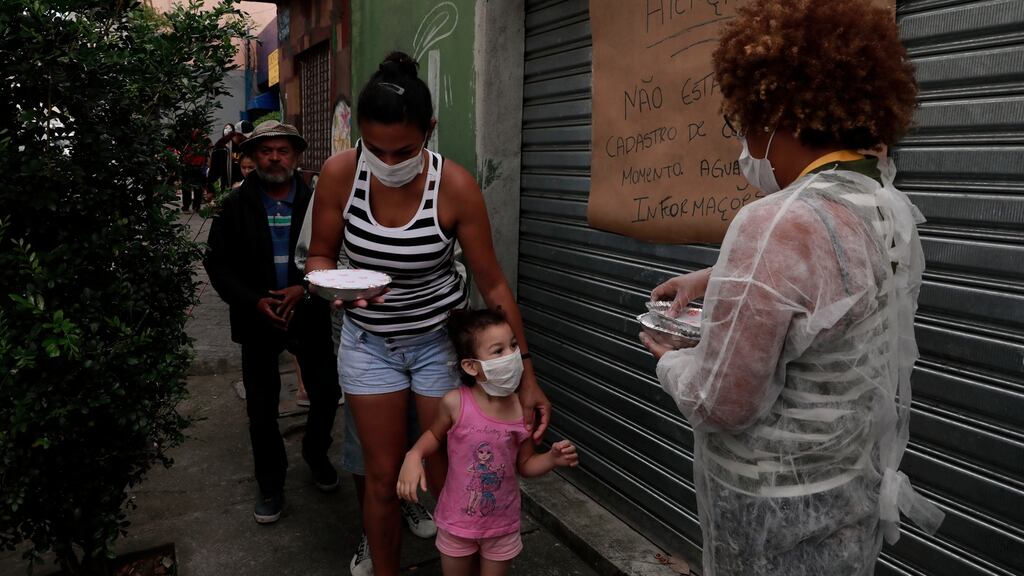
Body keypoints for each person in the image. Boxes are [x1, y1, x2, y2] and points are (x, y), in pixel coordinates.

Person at [639, 2, 945, 575]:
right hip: (843, 496)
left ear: (775, 112)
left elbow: (721, 402)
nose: (747, 145)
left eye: (744, 124)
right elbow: (836, 282)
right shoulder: (883, 204)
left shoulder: (776, 222)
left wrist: (670, 360)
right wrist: (719, 277)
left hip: (770, 517)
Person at [305, 51, 551, 575]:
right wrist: (337, 289)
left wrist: (526, 375)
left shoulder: (455, 187)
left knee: (449, 471)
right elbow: (320, 257)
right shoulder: (340, 176)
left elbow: (493, 284)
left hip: (439, 344)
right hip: (369, 344)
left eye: (404, 151)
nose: (389, 164)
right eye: (375, 150)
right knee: (380, 475)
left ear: (430, 132)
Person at [203, 120, 342, 524]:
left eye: (284, 150)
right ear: (252, 157)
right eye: (266, 150)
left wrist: (305, 288)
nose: (275, 157)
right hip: (257, 318)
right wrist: (253, 300)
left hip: (308, 311)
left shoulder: (318, 202)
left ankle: (316, 455)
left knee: (327, 391)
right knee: (261, 409)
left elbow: (336, 251)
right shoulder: (234, 205)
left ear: (297, 156)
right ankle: (270, 483)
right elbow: (218, 263)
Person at [398, 308, 578, 576]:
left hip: (501, 526)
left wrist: (552, 459)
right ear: (471, 366)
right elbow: (433, 436)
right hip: (456, 523)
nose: (512, 356)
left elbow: (526, 465)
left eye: (514, 345)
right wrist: (414, 455)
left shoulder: (522, 410)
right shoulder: (455, 403)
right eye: (498, 351)